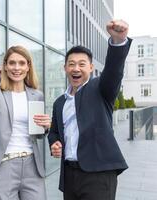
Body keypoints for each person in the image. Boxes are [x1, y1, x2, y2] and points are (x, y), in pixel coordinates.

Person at [48, 19, 131, 200]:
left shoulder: (101, 89)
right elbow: (53, 132)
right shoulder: (59, 102)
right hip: (69, 175)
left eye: (82, 64)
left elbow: (113, 71)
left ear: (91, 68)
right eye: (71, 64)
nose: (76, 68)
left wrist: (118, 42)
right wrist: (54, 143)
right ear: (65, 68)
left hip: (98, 174)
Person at [0, 43, 51, 200]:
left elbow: (39, 134)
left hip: (32, 165)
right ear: (5, 67)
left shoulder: (37, 95)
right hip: (5, 164)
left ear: (28, 67)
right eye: (12, 63)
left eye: (22, 63)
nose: (17, 68)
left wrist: (45, 127)